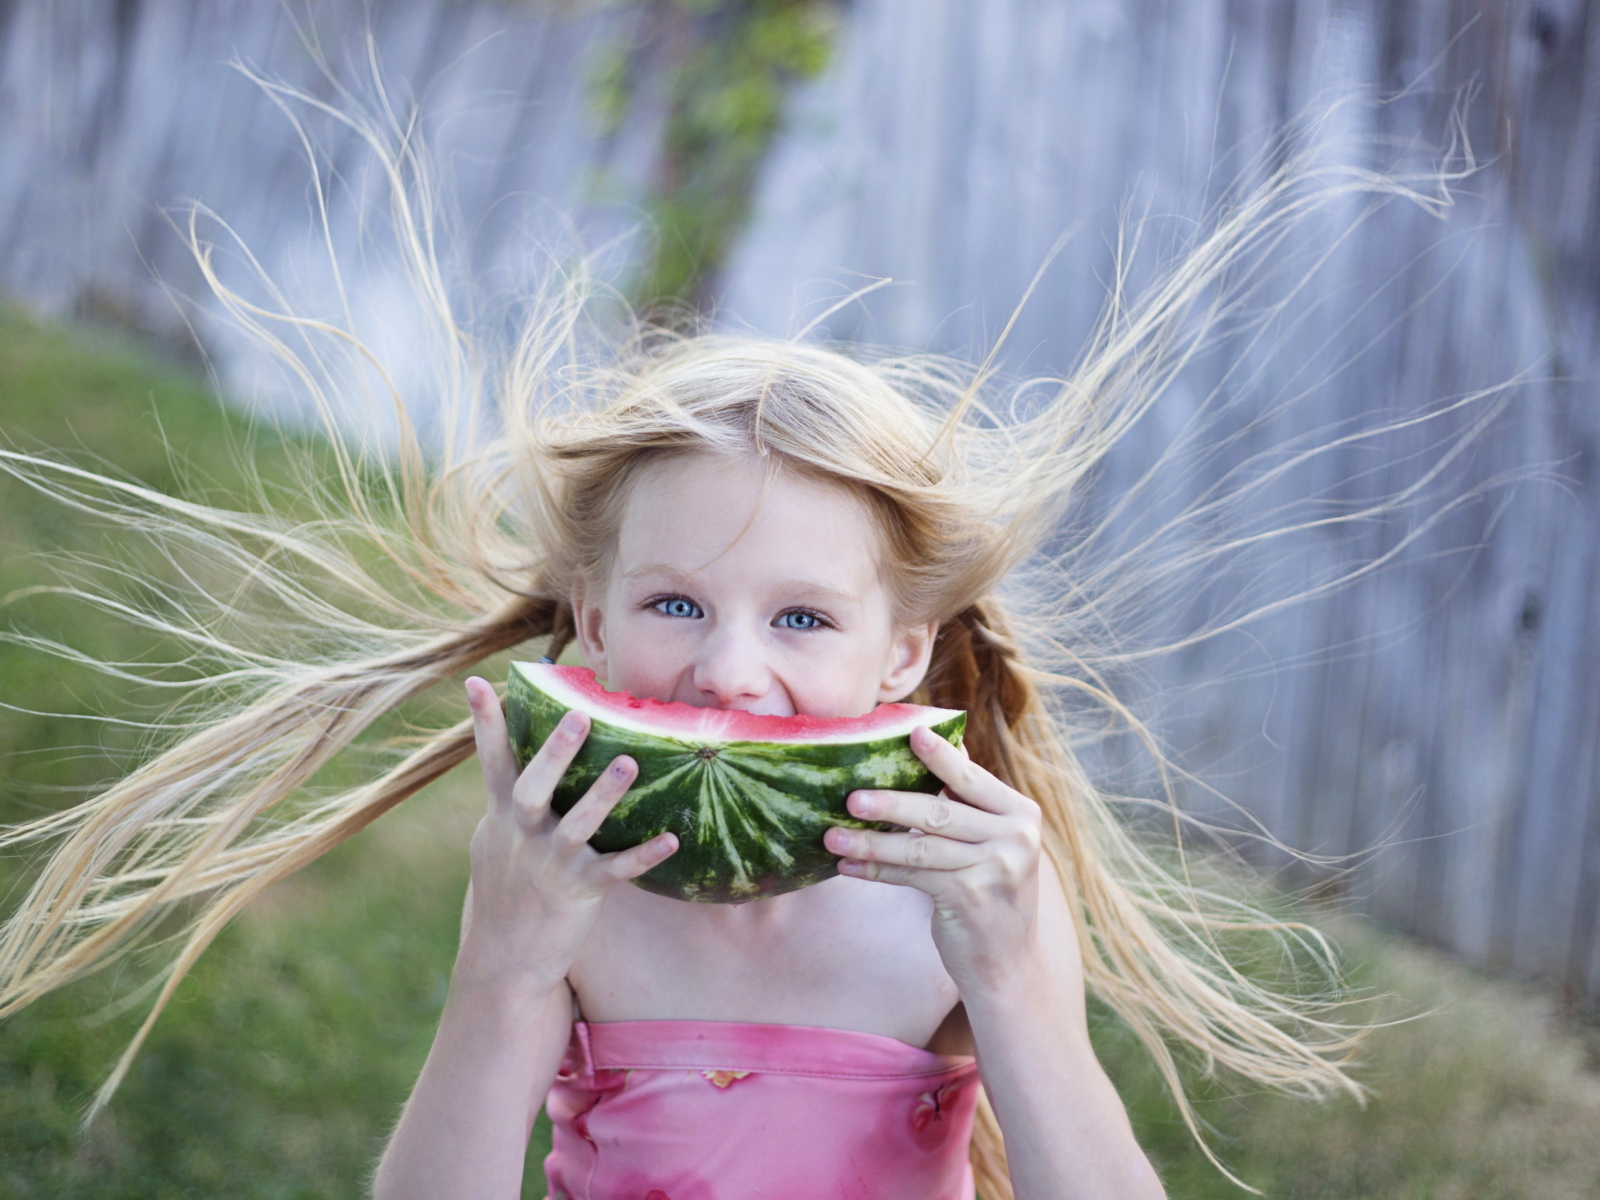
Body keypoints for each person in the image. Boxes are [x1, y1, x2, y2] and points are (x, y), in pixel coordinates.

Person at [0, 100, 1456, 1198]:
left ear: (904, 663)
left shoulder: (947, 917)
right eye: (677, 606)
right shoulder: (572, 893)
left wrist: (1016, 984)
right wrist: (506, 973)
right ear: (588, 620)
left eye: (803, 619)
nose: (728, 677)